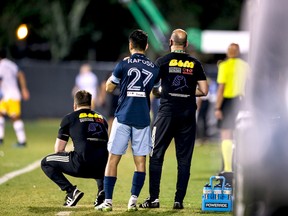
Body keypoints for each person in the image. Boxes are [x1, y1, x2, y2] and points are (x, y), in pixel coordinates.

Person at [139, 29, 208, 210]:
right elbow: (204, 90)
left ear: (171, 42)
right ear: (186, 44)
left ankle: (154, 198)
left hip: (166, 115)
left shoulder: (162, 61)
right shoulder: (195, 63)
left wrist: (161, 91)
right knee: (184, 160)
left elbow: (151, 87)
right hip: (187, 116)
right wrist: (186, 90)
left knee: (156, 155)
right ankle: (179, 201)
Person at [96, 29, 159, 212]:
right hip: (142, 118)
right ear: (146, 46)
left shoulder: (123, 64)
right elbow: (154, 91)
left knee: (113, 159)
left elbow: (109, 88)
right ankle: (132, 201)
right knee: (140, 162)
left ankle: (108, 201)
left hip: (123, 117)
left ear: (130, 45)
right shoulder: (154, 68)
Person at [41, 90, 109, 207]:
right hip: (103, 168)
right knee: (98, 154)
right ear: (90, 104)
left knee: (46, 162)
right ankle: (102, 192)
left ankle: (71, 191)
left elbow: (59, 149)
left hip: (81, 164)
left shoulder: (69, 118)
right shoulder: (102, 119)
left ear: (74, 105)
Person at [214, 43, 249, 184]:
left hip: (228, 102)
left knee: (226, 135)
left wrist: (217, 107)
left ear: (228, 52)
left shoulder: (224, 66)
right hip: (242, 101)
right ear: (239, 52)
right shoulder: (246, 66)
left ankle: (227, 168)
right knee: (240, 134)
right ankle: (240, 166)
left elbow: (221, 88)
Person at [0, 49, 30, 147]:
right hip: (11, 94)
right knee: (1, 114)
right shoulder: (11, 64)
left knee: (15, 117)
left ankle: (22, 141)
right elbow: (20, 74)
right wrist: (24, 89)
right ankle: (1, 138)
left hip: (8, 95)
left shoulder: (1, 65)